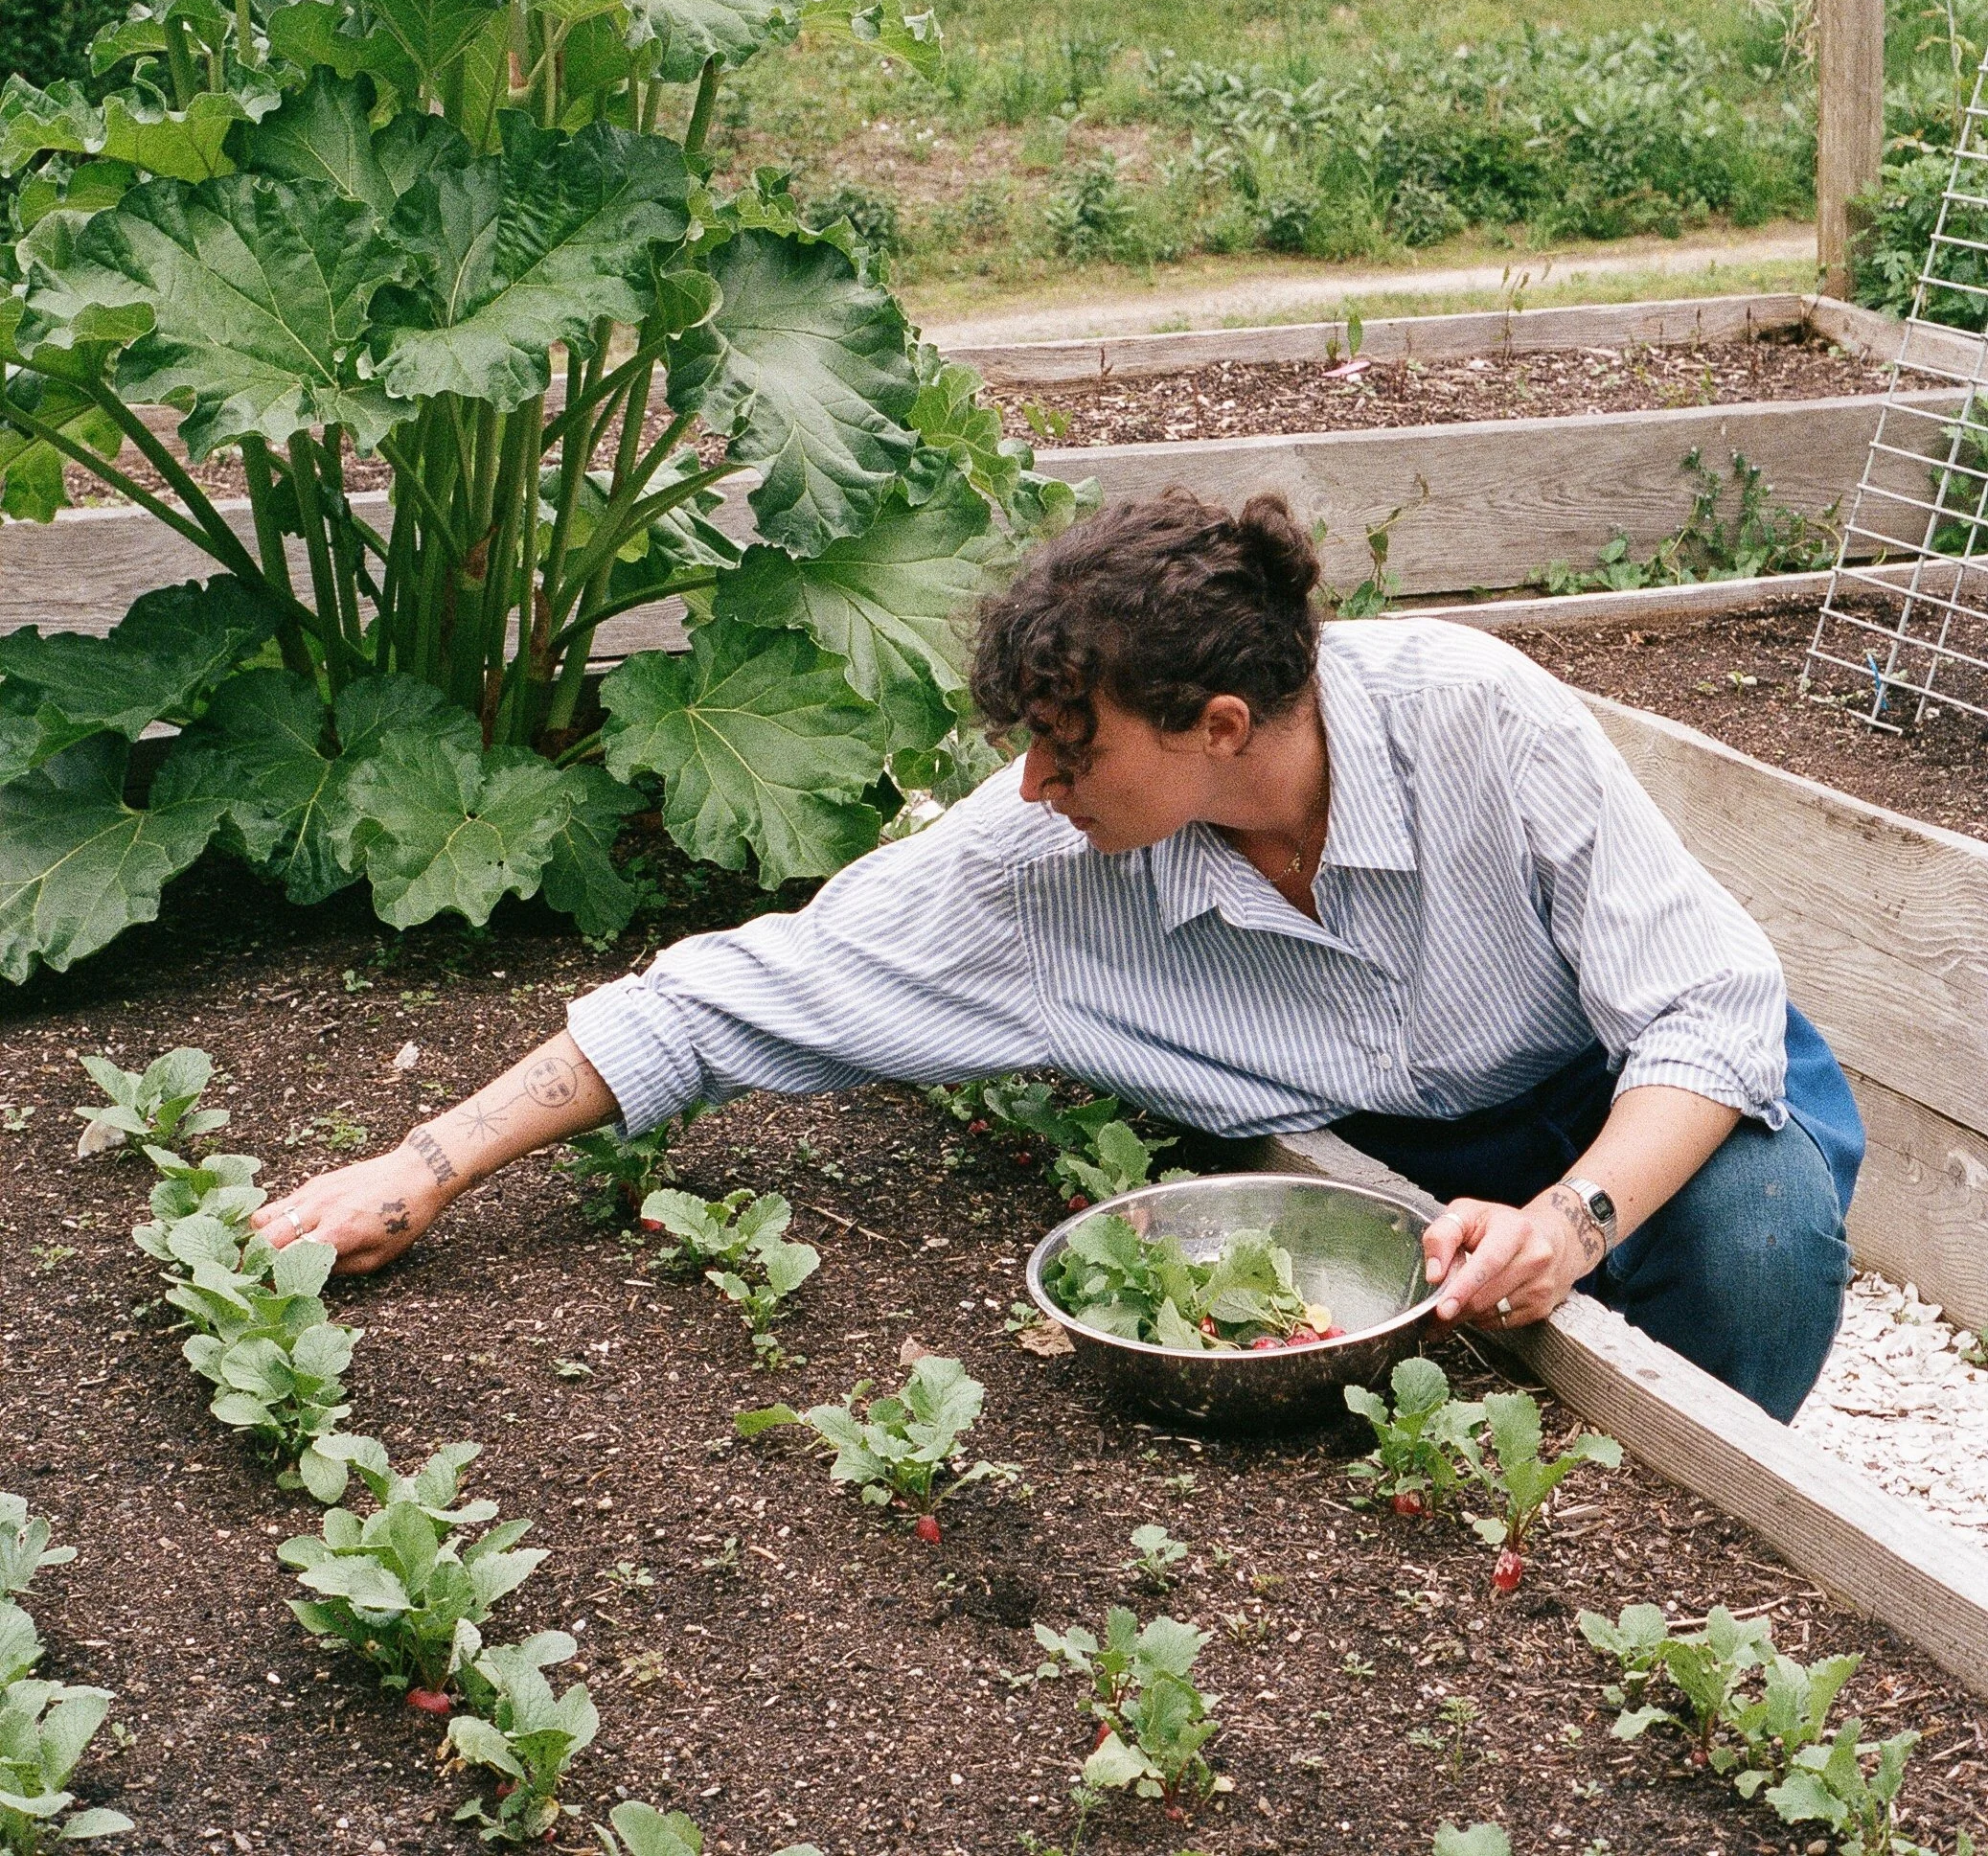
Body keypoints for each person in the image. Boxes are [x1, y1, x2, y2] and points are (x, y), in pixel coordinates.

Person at [254, 489, 1860, 1421]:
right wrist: (430, 1157)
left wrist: (1573, 1217)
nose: (1032, 781)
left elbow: (1706, 1011)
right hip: (1388, 1158)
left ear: (1218, 727)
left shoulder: (1474, 714)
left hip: (1626, 1086)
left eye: (1069, 745)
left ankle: (1712, 1502)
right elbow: (738, 991)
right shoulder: (1034, 864)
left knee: (1758, 1240)